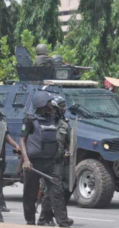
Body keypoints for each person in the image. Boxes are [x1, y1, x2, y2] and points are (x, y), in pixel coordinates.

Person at [19, 91, 73, 227]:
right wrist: (26, 160)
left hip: (51, 162)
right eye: (49, 102)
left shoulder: (54, 118)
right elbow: (22, 139)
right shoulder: (29, 119)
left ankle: (62, 221)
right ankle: (30, 221)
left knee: (57, 191)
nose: (51, 105)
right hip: (33, 162)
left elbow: (66, 137)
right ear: (41, 104)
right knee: (30, 193)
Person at [38, 96, 72, 226]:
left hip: (59, 162)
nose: (51, 112)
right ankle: (57, 219)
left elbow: (70, 143)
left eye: (54, 110)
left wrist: (69, 152)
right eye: (50, 109)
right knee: (50, 191)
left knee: (59, 190)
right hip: (45, 162)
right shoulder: (43, 123)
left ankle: (44, 217)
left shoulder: (64, 125)